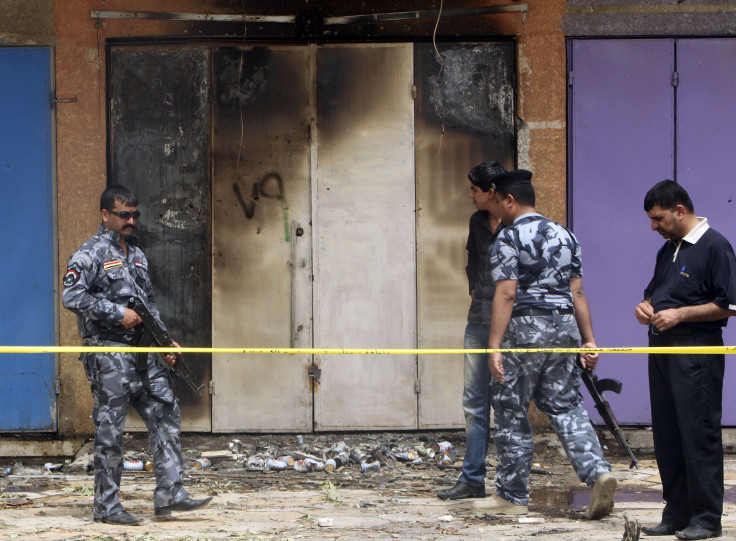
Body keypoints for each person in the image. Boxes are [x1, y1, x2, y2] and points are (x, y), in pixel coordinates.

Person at [62, 185, 212, 525]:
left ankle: (171, 493)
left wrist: (165, 342)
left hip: (144, 351)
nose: (131, 220)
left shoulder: (138, 255)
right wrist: (116, 313)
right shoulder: (89, 254)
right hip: (109, 352)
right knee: (110, 429)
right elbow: (71, 297)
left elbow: (148, 305)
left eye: (134, 214)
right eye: (123, 215)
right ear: (105, 215)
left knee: (165, 409)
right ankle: (107, 506)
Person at [475, 169, 616, 519]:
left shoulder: (507, 238)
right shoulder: (566, 235)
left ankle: (511, 495)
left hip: (524, 330)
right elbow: (577, 291)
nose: (499, 209)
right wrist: (589, 340)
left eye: (499, 202)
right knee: (566, 405)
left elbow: (506, 293)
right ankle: (598, 473)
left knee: (510, 406)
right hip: (565, 327)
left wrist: (494, 346)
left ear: (509, 200)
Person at [635, 180, 736, 540]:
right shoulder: (668, 250)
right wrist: (645, 308)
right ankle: (676, 512)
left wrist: (680, 315)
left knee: (698, 434)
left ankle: (707, 518)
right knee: (667, 434)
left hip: (696, 352)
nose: (654, 227)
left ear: (680, 210)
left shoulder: (716, 247)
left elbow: (728, 305)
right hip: (662, 351)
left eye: (659, 218)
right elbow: (654, 293)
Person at [437, 161, 506, 500]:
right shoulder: (477, 222)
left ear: (491, 192)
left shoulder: (518, 223)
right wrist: (474, 291)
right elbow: (472, 262)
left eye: (474, 190)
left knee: (509, 403)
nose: (470, 195)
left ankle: (510, 483)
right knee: (474, 403)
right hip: (479, 320)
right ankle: (472, 479)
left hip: (511, 326)